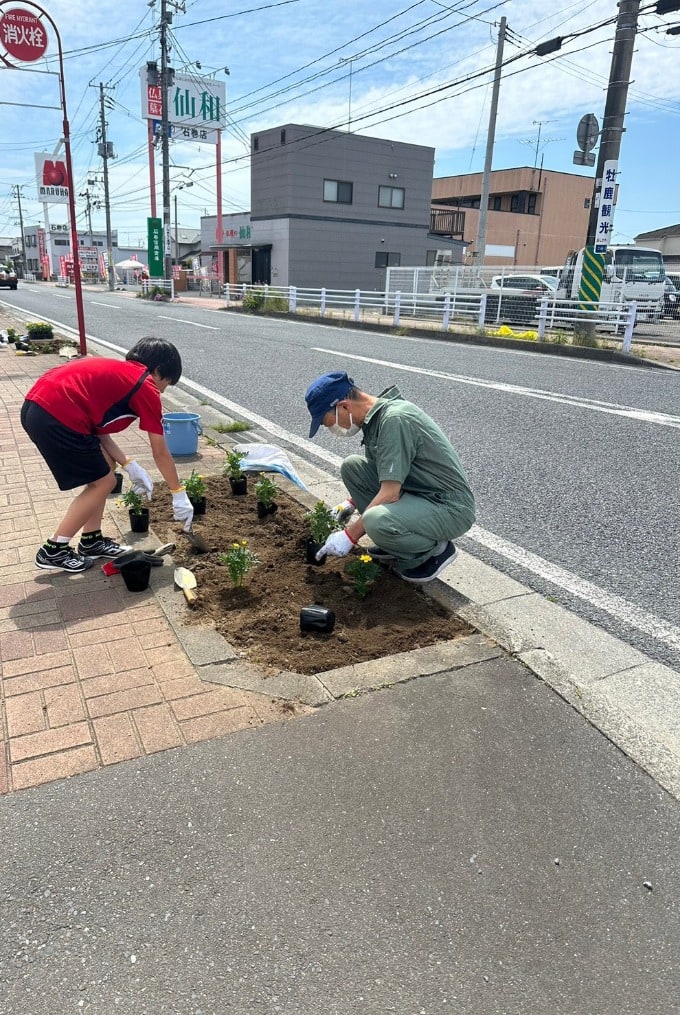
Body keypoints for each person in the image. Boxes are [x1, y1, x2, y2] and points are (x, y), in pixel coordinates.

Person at [21, 336, 195, 573]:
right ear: (158, 371)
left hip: (39, 407)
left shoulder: (120, 374)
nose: (163, 390)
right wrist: (178, 493)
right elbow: (161, 451)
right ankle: (54, 549)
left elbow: (98, 432)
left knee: (105, 466)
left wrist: (128, 464)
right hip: (56, 415)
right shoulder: (145, 385)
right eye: (167, 383)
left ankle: (91, 540)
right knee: (104, 482)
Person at [304, 370, 475, 584]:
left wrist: (349, 537)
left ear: (344, 407)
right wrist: (349, 505)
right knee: (352, 467)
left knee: (376, 521)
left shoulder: (394, 420)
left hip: (448, 507)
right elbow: (382, 475)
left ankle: (431, 552)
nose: (332, 429)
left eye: (328, 423)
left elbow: (390, 493)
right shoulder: (375, 420)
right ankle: (395, 542)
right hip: (418, 493)